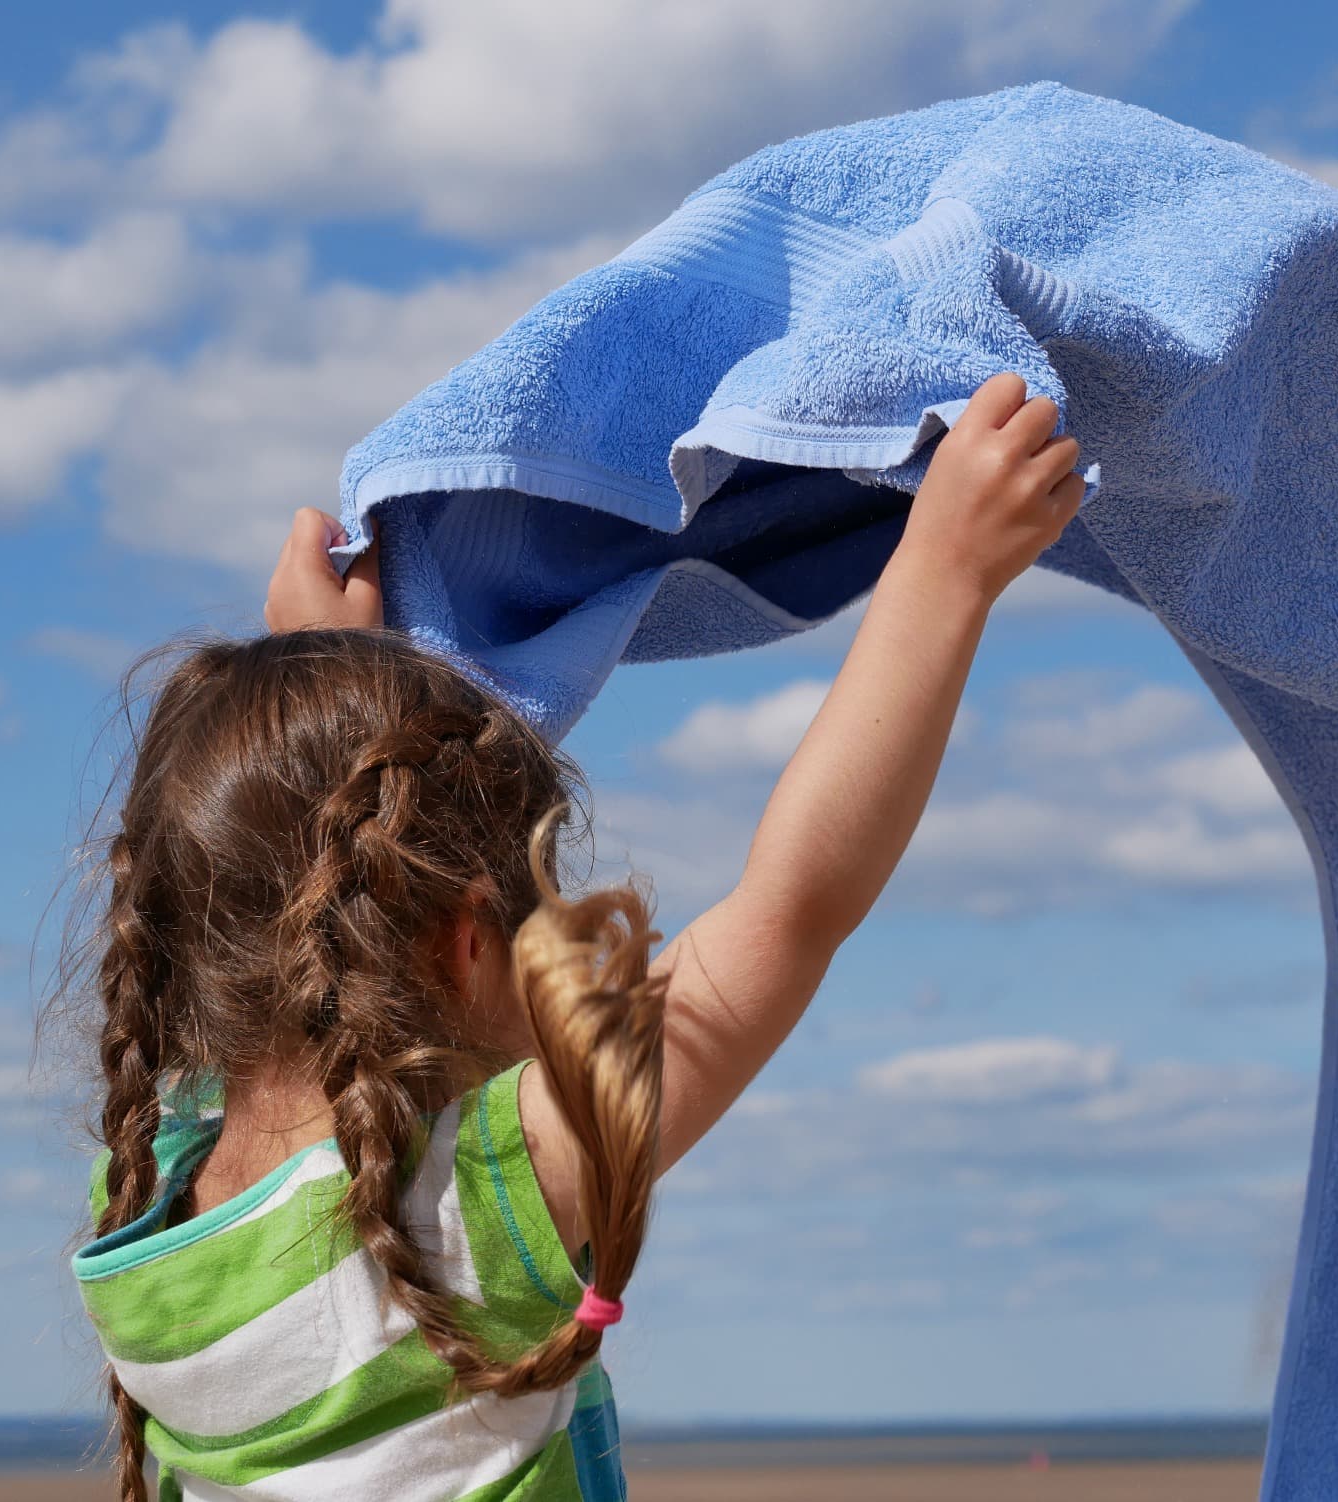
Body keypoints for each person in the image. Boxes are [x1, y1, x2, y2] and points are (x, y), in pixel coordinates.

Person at [65, 372, 1087, 1501]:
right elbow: (791, 906)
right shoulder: (477, 1215)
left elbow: (272, 889)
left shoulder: (154, 1221)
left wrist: (326, 680)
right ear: (463, 944)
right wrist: (944, 568)